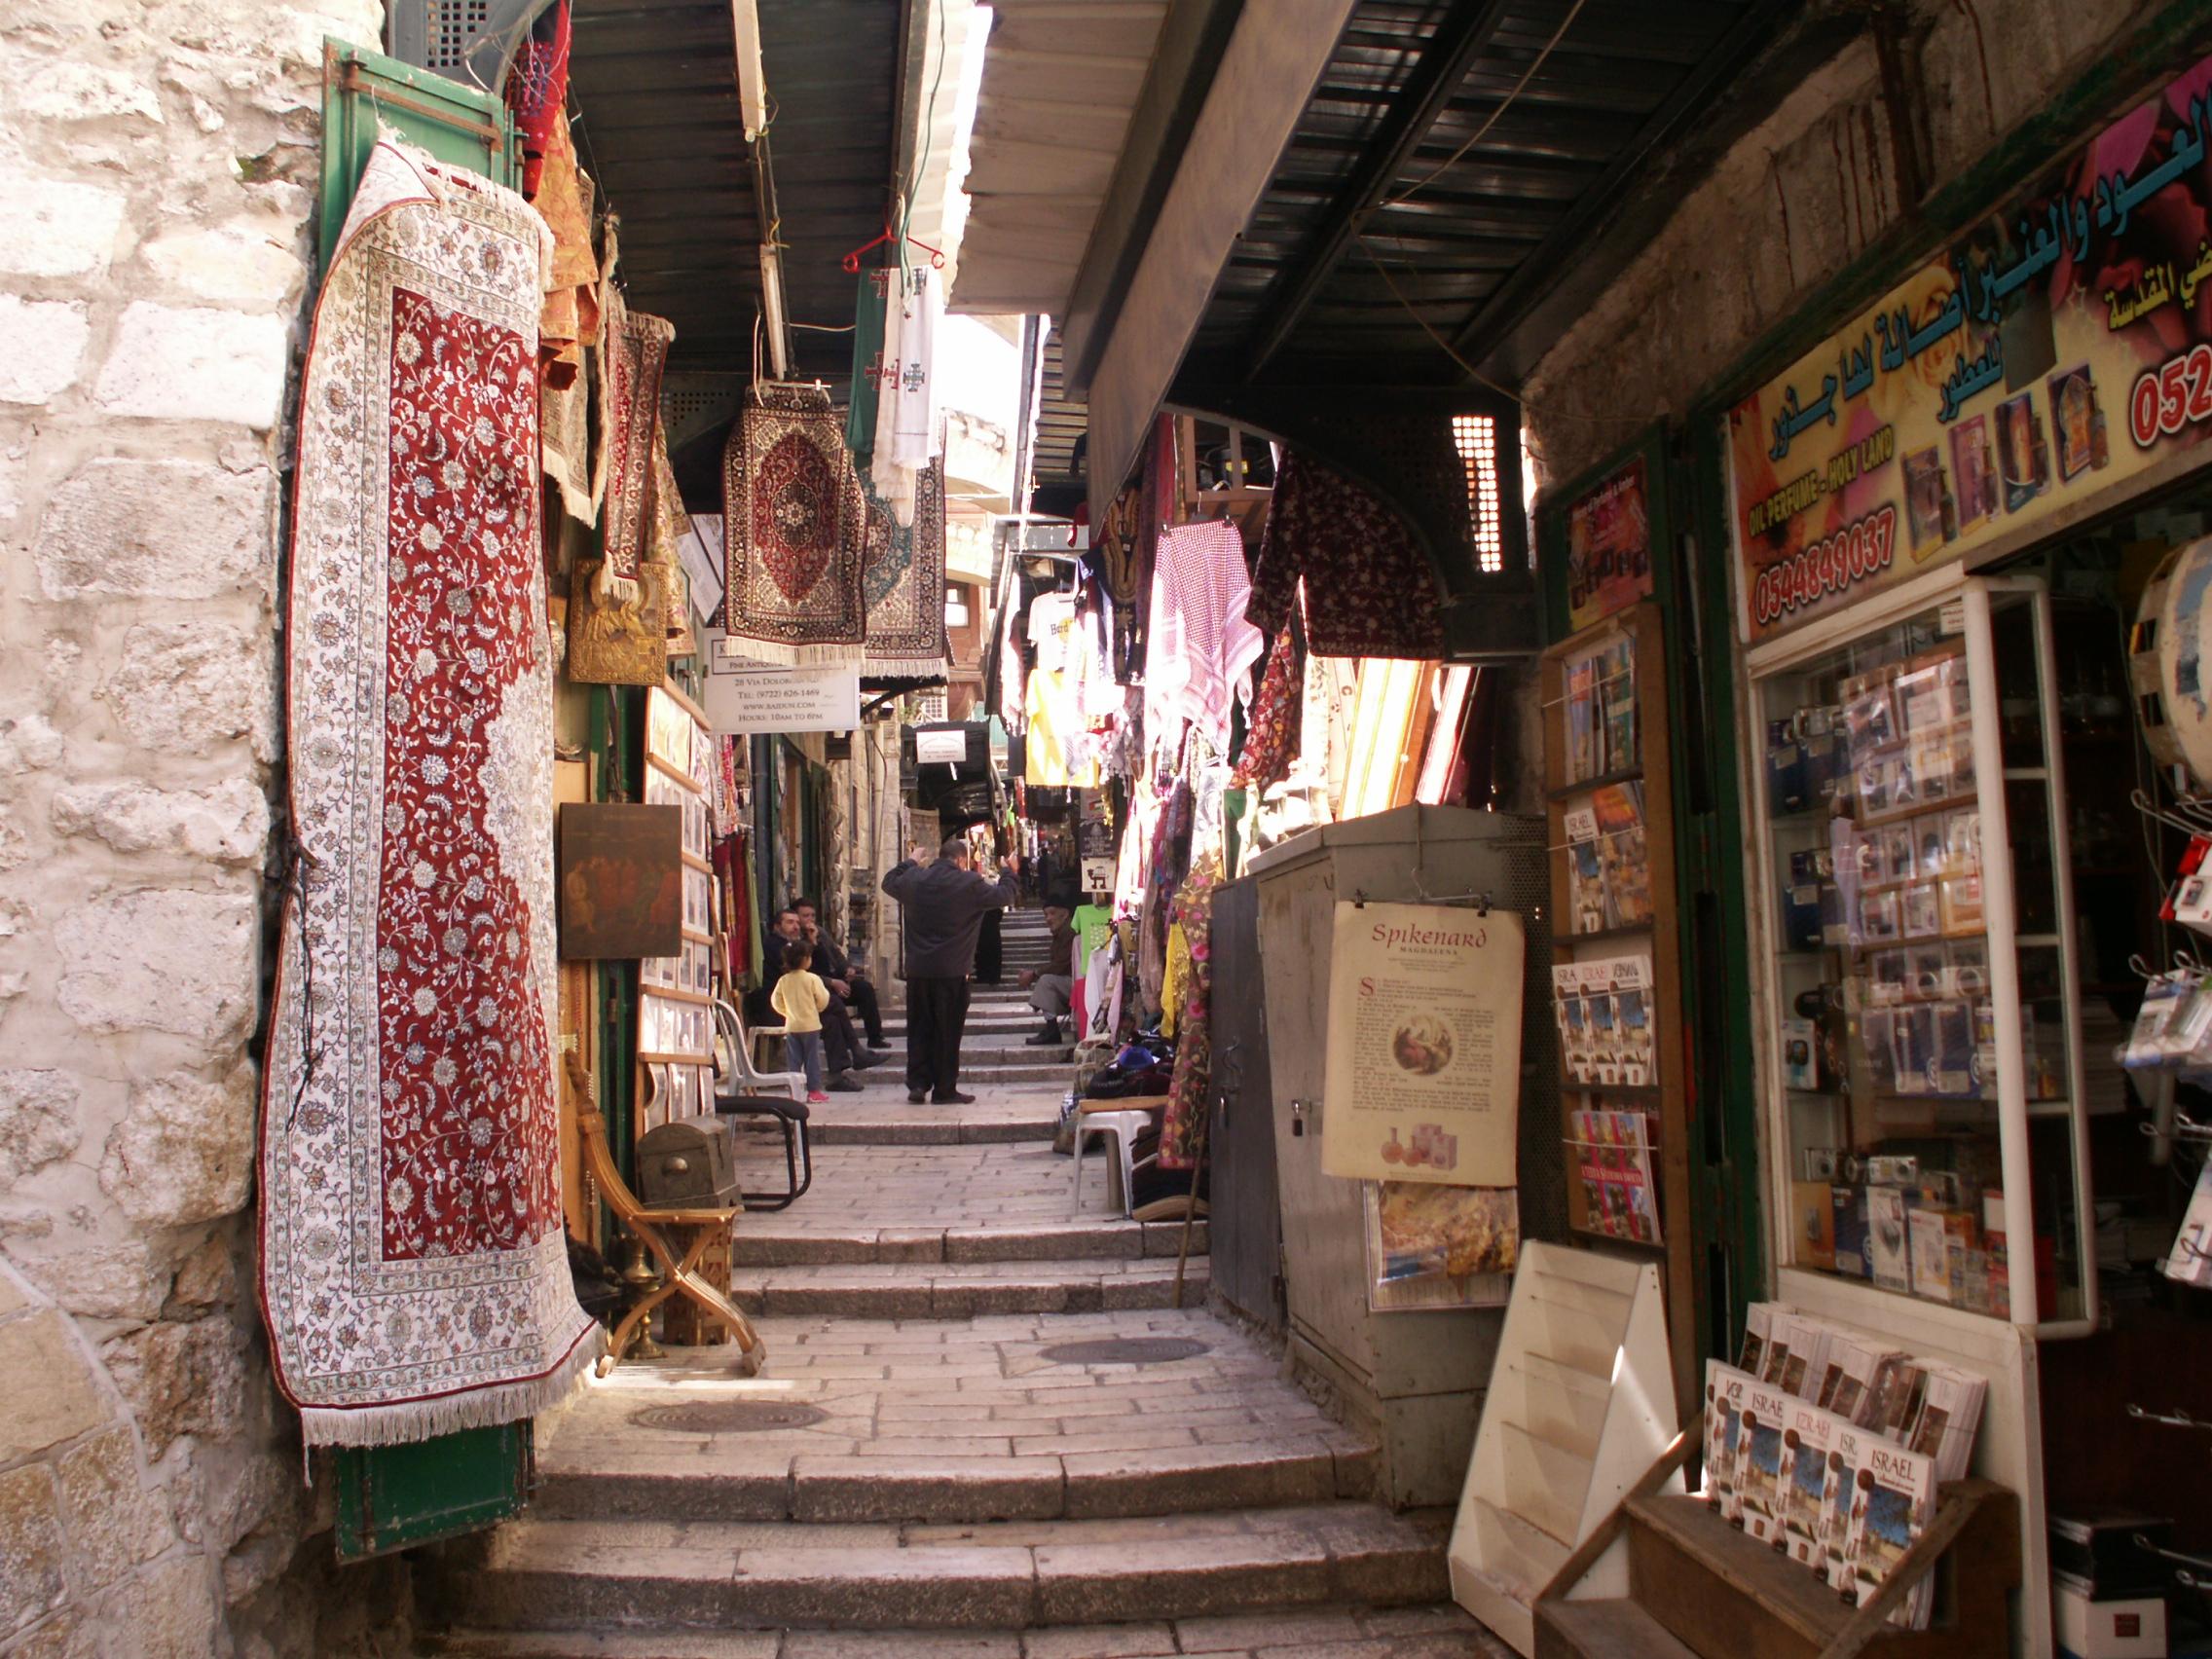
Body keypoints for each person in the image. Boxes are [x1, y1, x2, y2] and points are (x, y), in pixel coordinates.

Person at [882, 836, 1018, 1104]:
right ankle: (944, 1088)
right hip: (953, 971)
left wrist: (910, 861)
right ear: (960, 860)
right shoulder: (969, 883)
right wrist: (1008, 871)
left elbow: (888, 882)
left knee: (919, 1028)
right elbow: (1006, 894)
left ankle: (918, 1083)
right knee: (947, 1031)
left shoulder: (914, 879)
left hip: (919, 970)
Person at [765, 908, 869, 1091]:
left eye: (797, 922)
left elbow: (816, 970)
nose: (796, 926)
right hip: (789, 1013)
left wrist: (813, 943)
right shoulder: (777, 946)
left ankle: (837, 1075)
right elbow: (801, 976)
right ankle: (856, 1050)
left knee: (832, 1021)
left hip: (803, 1009)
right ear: (776, 926)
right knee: (835, 1003)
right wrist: (791, 1012)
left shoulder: (798, 945)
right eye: (790, 922)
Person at [793, 898, 887, 1051]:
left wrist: (847, 969)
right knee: (834, 1003)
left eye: (812, 916)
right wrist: (812, 942)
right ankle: (851, 1047)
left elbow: (836, 954)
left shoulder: (820, 932)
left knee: (865, 989)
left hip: (835, 979)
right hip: (818, 986)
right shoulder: (797, 940)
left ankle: (875, 1037)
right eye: (805, 916)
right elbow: (803, 972)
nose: (810, 920)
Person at [768, 939, 830, 1104]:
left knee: (794, 1061)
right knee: (812, 1059)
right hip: (810, 1025)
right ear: (805, 959)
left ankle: (794, 1092)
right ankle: (814, 1091)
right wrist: (815, 1009)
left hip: (792, 1026)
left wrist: (787, 1012)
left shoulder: (784, 980)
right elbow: (823, 999)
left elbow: (775, 1002)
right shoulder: (812, 979)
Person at [1016, 899, 1078, 1046]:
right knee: (1047, 981)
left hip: (1077, 982)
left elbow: (1061, 964)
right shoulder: (1061, 932)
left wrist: (1034, 973)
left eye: (1052, 913)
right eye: (1045, 915)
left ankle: (1052, 1030)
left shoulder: (1069, 931)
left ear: (1065, 914)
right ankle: (1051, 1029)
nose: (1048, 919)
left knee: (1046, 981)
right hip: (1072, 981)